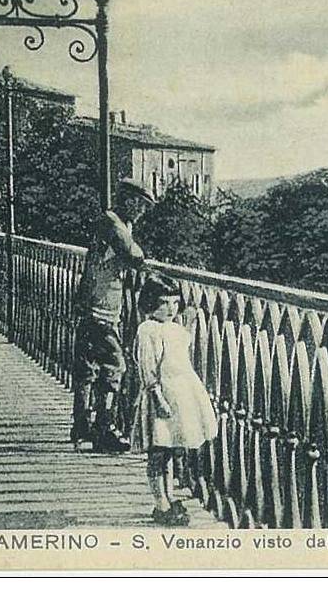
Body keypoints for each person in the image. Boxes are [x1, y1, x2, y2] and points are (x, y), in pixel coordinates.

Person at [71, 179, 155, 452]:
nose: (142, 211)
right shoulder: (112, 222)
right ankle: (103, 428)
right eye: (141, 204)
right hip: (101, 307)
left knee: (88, 366)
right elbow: (133, 254)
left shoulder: (111, 222)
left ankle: (82, 424)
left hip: (94, 305)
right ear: (128, 200)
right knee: (114, 365)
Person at [133, 274, 218, 526]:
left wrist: (189, 320)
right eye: (163, 303)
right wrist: (157, 397)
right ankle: (160, 503)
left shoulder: (174, 328)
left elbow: (180, 352)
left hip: (181, 393)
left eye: (174, 302)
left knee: (170, 451)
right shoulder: (147, 330)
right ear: (150, 303)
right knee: (158, 453)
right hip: (162, 396)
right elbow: (148, 368)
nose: (170, 308)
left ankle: (169, 499)